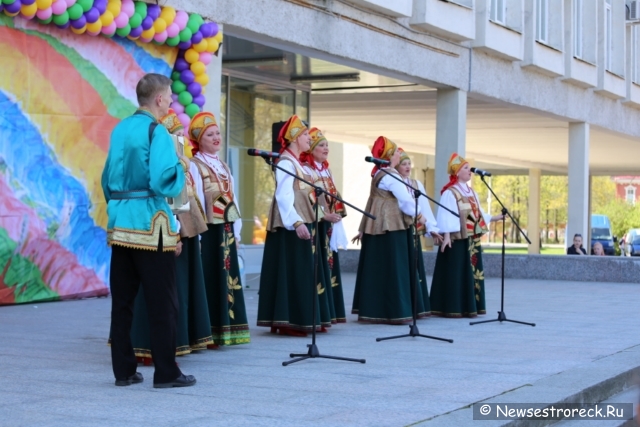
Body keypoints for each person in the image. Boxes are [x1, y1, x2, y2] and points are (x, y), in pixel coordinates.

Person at [102, 73, 195, 388]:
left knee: (123, 302)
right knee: (163, 302)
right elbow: (163, 179)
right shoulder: (158, 131)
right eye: (169, 95)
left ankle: (124, 371)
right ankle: (166, 372)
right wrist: (182, 165)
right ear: (159, 99)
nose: (170, 100)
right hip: (150, 225)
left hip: (121, 223)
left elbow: (106, 179)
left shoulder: (120, 128)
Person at [129, 109, 214, 365]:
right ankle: (150, 345)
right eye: (175, 135)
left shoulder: (184, 166)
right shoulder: (161, 165)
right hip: (163, 231)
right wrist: (174, 234)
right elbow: (166, 202)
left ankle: (180, 339)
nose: (181, 140)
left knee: (179, 289)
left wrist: (193, 235)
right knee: (161, 290)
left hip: (180, 231)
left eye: (181, 135)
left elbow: (193, 199)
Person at [257, 115, 333, 336]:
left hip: (301, 222)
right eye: (306, 136)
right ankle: (289, 320)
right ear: (295, 138)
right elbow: (283, 197)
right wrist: (297, 222)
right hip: (290, 226)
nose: (309, 139)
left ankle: (300, 318)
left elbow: (306, 197)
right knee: (293, 271)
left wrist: (318, 215)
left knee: (301, 272)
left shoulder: (298, 164)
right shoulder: (286, 163)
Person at [351, 137, 430, 324]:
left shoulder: (380, 174)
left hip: (379, 226)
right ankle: (395, 310)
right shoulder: (390, 175)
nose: (398, 155)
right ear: (388, 156)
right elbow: (405, 201)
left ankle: (376, 309)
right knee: (395, 268)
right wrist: (420, 216)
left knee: (380, 268)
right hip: (391, 226)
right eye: (395, 152)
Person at [188, 112, 251, 347]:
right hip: (209, 232)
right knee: (211, 278)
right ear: (199, 139)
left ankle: (229, 328)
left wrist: (237, 229)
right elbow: (195, 202)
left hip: (225, 229)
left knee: (228, 278)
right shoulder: (195, 165)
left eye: (217, 133)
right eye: (209, 134)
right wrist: (200, 234)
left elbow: (232, 199)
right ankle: (209, 331)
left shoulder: (223, 165)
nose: (216, 138)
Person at [429, 153, 503, 318]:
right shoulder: (450, 192)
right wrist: (446, 235)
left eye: (469, 168)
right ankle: (453, 307)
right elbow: (446, 216)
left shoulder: (471, 192)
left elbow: (478, 213)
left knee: (472, 271)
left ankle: (470, 306)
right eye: (466, 168)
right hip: (457, 238)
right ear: (457, 172)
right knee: (458, 271)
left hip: (472, 238)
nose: (470, 171)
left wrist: (495, 218)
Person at [300, 127, 348, 324]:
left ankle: (331, 311)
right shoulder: (306, 169)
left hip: (328, 223)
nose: (326, 148)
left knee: (329, 263)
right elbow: (306, 200)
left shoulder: (326, 170)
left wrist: (335, 214)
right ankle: (319, 312)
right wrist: (323, 215)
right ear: (311, 148)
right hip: (316, 223)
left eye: (327, 145)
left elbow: (334, 196)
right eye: (321, 145)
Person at [395, 148, 443, 315]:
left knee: (414, 265)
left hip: (415, 231)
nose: (407, 167)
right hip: (400, 230)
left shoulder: (416, 184)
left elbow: (425, 209)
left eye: (409, 164)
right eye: (403, 164)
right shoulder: (394, 183)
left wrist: (432, 227)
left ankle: (417, 306)